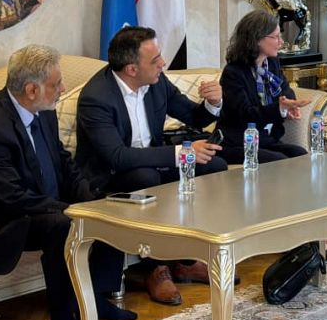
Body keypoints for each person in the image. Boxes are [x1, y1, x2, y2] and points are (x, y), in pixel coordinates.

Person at [0, 45, 136, 320]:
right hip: (9, 218)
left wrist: (92, 200)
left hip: (44, 204)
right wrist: (69, 210)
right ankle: (62, 319)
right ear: (31, 89)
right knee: (62, 224)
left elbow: (63, 163)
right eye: (56, 84)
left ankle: (97, 298)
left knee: (106, 206)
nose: (62, 89)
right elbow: (10, 197)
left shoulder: (44, 110)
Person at [75, 26, 227, 305]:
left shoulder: (157, 82)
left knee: (213, 167)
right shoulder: (96, 98)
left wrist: (213, 103)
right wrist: (182, 153)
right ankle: (155, 269)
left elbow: (195, 117)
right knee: (145, 178)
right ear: (132, 69)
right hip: (110, 176)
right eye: (155, 59)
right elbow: (117, 157)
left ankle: (185, 260)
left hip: (152, 165)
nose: (163, 63)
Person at [217, 10, 310, 163]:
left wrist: (289, 105)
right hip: (238, 142)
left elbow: (285, 90)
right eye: (276, 37)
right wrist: (279, 108)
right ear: (257, 39)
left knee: (300, 154)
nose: (281, 42)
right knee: (279, 161)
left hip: (266, 139)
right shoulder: (233, 73)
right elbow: (246, 114)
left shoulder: (272, 64)